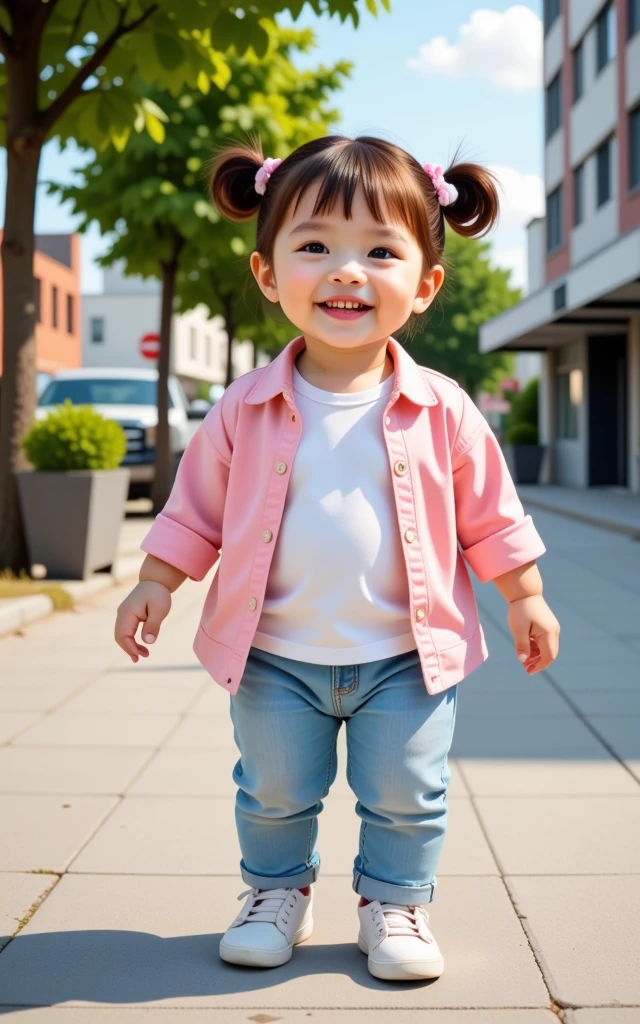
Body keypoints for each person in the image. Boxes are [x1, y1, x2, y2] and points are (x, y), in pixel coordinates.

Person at [114, 134, 560, 983]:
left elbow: (491, 515)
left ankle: (395, 902)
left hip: (405, 658)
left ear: (424, 284)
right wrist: (155, 581)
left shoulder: (444, 410)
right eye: (314, 246)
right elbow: (196, 508)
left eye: (379, 252)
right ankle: (275, 892)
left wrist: (525, 595)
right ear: (268, 274)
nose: (347, 271)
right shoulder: (244, 408)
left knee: (406, 793)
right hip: (274, 657)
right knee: (274, 792)